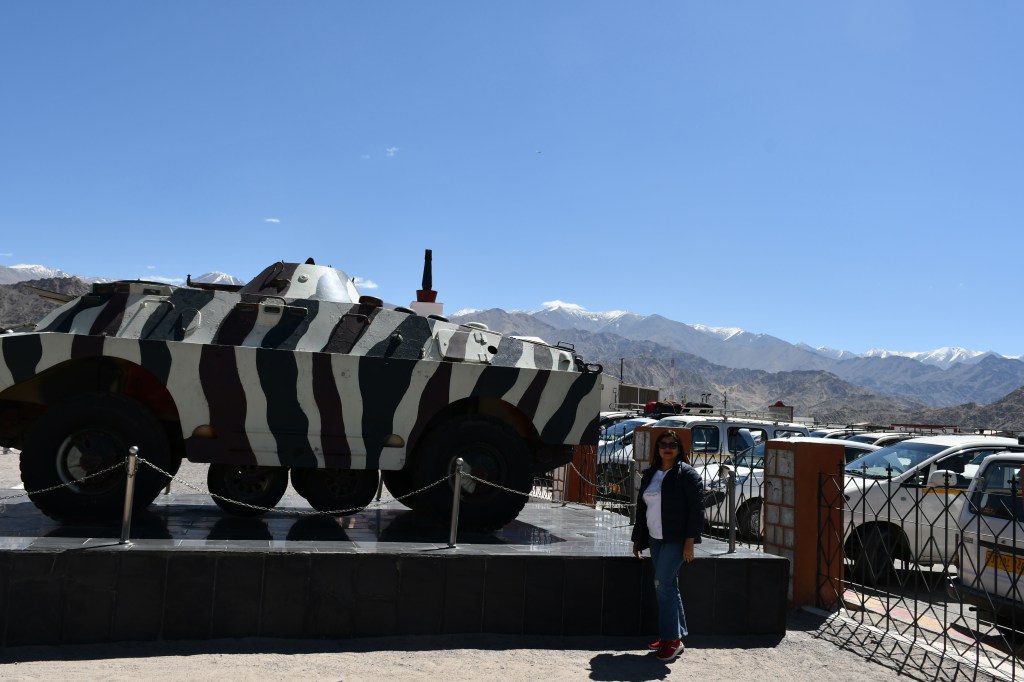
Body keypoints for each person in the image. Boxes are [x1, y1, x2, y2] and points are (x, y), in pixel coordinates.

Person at [631, 430, 704, 662]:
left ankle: (671, 640)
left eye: (672, 444)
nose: (668, 448)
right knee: (669, 585)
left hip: (676, 539)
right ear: (657, 449)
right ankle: (672, 636)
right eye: (663, 444)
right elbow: (642, 509)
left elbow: (696, 511)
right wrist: (638, 539)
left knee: (661, 583)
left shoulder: (687, 474)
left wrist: (690, 542)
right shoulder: (650, 473)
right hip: (655, 537)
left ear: (679, 448)